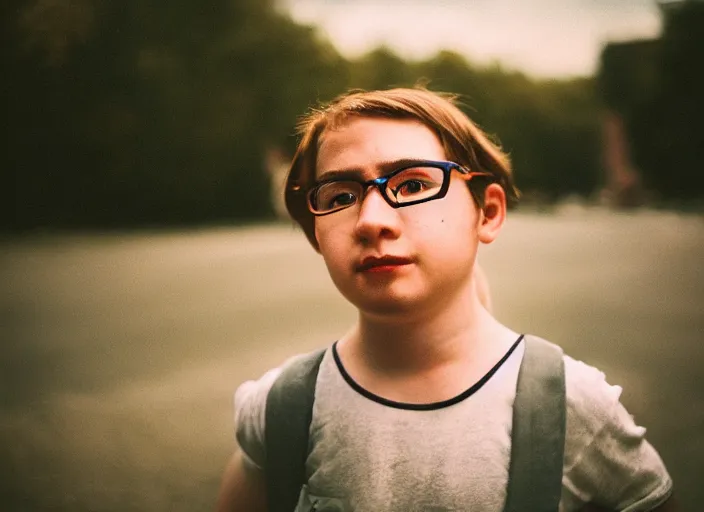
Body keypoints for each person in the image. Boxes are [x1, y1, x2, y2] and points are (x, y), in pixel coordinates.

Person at [216, 88, 674, 511]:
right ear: (317, 234)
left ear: (488, 212)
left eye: (412, 185)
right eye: (340, 195)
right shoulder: (282, 410)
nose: (372, 220)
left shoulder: (572, 406)